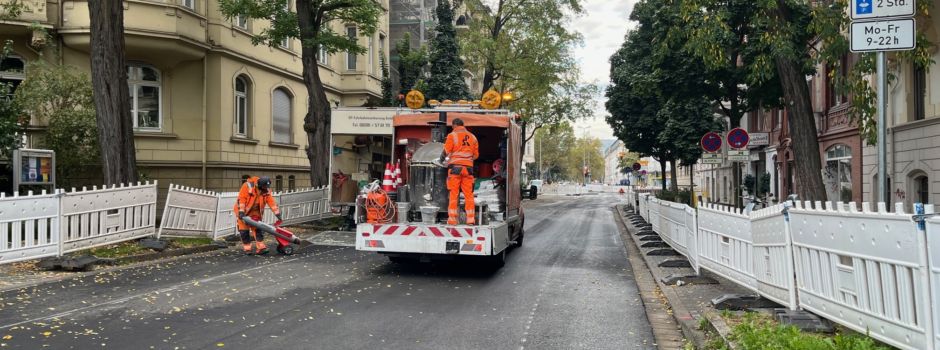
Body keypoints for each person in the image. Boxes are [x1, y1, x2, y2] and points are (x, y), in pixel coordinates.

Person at [443, 118, 479, 225]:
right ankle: (471, 219)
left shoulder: (452, 135)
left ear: (454, 125)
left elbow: (446, 151)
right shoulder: (473, 137)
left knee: (454, 194)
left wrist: (441, 160)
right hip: (468, 170)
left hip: (455, 169)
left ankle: (453, 219)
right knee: (469, 195)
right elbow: (476, 155)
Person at [234, 176, 282, 255]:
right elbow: (241, 199)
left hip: (256, 212)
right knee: (244, 231)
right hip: (243, 212)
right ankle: (247, 249)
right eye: (264, 187)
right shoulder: (247, 186)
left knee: (258, 230)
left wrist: (277, 213)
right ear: (259, 186)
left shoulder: (266, 190)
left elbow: (271, 202)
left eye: (267, 187)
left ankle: (261, 248)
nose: (266, 189)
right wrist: (241, 212)